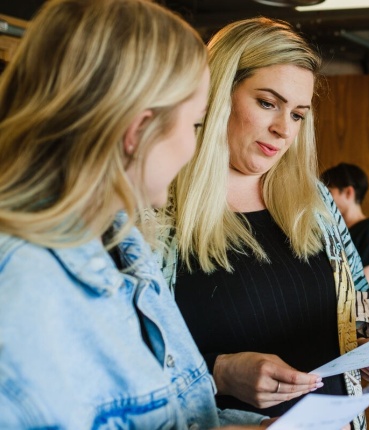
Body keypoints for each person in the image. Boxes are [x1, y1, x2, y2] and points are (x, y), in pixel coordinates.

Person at [0, 0, 267, 427]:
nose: (195, 146)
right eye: (195, 125)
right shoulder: (22, 294)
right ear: (137, 132)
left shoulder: (123, 246)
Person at [157, 17, 369, 429]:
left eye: (298, 114)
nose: (282, 129)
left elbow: (359, 301)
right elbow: (122, 357)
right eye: (267, 103)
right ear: (219, 93)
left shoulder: (317, 199)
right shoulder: (158, 211)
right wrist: (218, 372)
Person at [321, 163, 369, 286]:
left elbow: (363, 283)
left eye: (329, 193)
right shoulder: (329, 227)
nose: (323, 199)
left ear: (349, 192)